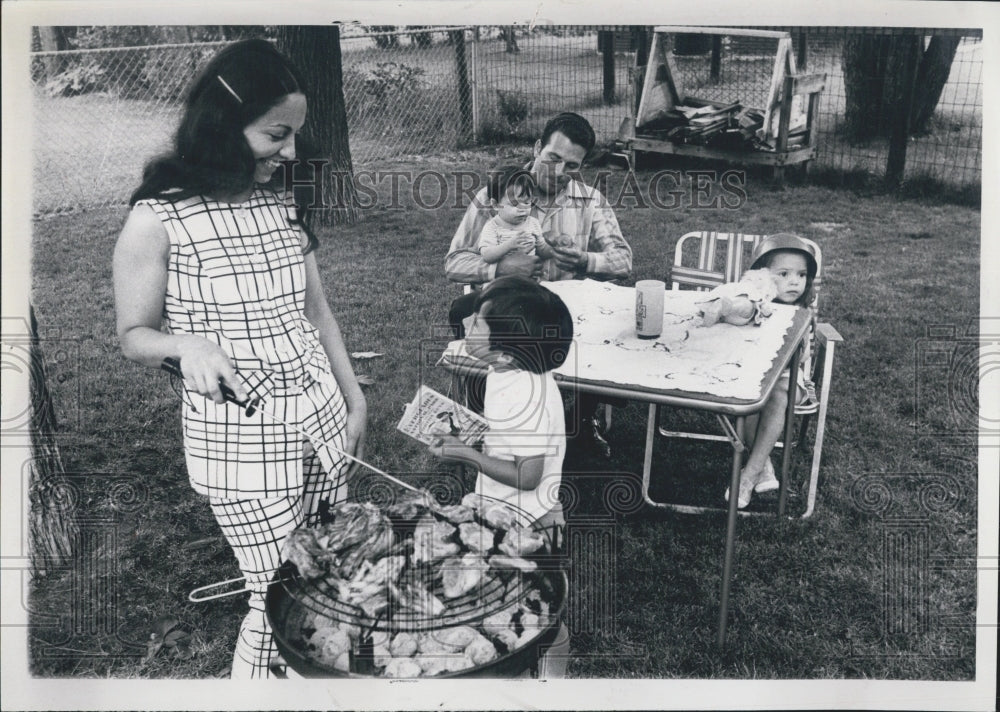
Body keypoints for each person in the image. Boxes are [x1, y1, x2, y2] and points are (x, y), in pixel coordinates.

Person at [112, 39, 368, 678]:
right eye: (275, 134)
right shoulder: (157, 220)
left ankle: (316, 681)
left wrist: (354, 397)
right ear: (223, 125)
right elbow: (133, 334)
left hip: (322, 418)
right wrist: (187, 344)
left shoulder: (283, 199)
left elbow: (317, 311)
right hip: (240, 441)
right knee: (277, 594)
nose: (288, 152)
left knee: (325, 572)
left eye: (294, 135)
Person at [445, 112, 633, 455]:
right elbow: (454, 261)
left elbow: (622, 259)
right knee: (464, 314)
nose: (560, 173)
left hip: (561, 312)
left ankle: (583, 418)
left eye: (572, 166)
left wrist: (586, 260)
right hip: (506, 311)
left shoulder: (590, 200)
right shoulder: (494, 196)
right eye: (553, 159)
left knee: (611, 326)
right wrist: (500, 267)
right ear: (536, 149)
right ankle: (483, 416)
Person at [428, 276, 573, 677]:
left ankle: (553, 686)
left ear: (506, 353)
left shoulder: (522, 394)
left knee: (543, 617)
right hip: (503, 514)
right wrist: (467, 435)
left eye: (477, 323)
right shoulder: (507, 371)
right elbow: (507, 439)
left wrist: (465, 454)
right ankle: (522, 674)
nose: (467, 325)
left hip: (532, 524)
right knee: (506, 607)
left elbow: (528, 475)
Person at [725, 233, 819, 509]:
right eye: (784, 273)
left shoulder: (802, 312)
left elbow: (801, 359)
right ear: (761, 276)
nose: (795, 281)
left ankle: (748, 475)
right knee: (753, 396)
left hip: (790, 378)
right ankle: (763, 463)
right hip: (749, 373)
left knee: (777, 393)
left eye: (801, 275)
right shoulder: (752, 303)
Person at [477, 166, 552, 267]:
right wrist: (509, 245)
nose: (522, 208)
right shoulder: (493, 227)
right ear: (496, 204)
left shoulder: (533, 223)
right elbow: (487, 255)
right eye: (514, 204)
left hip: (529, 277)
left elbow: (542, 249)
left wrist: (555, 248)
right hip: (503, 280)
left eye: (526, 202)